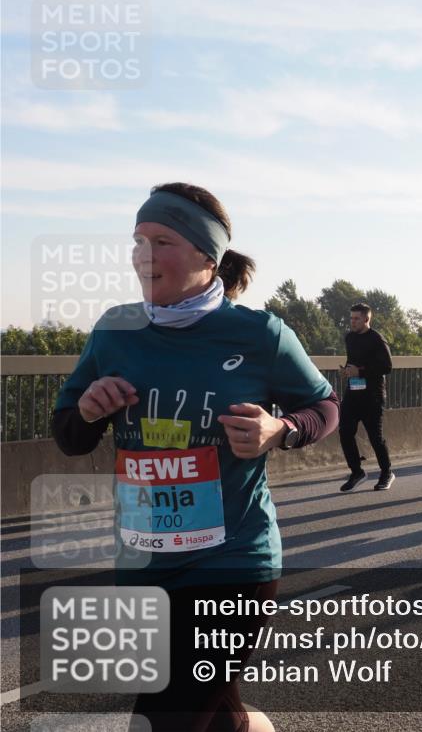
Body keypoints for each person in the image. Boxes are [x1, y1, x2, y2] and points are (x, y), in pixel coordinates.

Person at [52, 182, 339, 732]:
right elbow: (70, 435)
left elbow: (324, 406)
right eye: (138, 241)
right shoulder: (115, 330)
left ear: (208, 257)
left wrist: (280, 429)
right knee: (217, 714)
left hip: (232, 559)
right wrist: (87, 411)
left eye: (162, 241)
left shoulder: (259, 334)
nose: (144, 256)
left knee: (162, 720)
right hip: (145, 559)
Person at [339, 303, 394, 491]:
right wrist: (347, 370)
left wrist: (360, 371)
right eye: (351, 318)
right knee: (345, 432)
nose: (352, 322)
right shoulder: (350, 338)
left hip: (372, 396)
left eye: (356, 319)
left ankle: (386, 472)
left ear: (366, 319)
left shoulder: (377, 339)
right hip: (353, 393)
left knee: (375, 437)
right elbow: (353, 361)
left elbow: (387, 367)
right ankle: (357, 472)